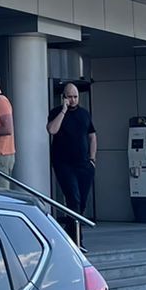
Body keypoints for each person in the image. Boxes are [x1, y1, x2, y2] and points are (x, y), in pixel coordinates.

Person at [47, 83, 98, 215]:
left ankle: (75, 225)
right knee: (73, 198)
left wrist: (92, 159)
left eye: (75, 97)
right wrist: (63, 111)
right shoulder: (56, 112)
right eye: (70, 97)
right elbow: (52, 130)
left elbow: (92, 136)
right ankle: (74, 227)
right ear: (64, 97)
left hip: (84, 163)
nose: (73, 100)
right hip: (64, 163)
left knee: (82, 200)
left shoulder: (84, 114)